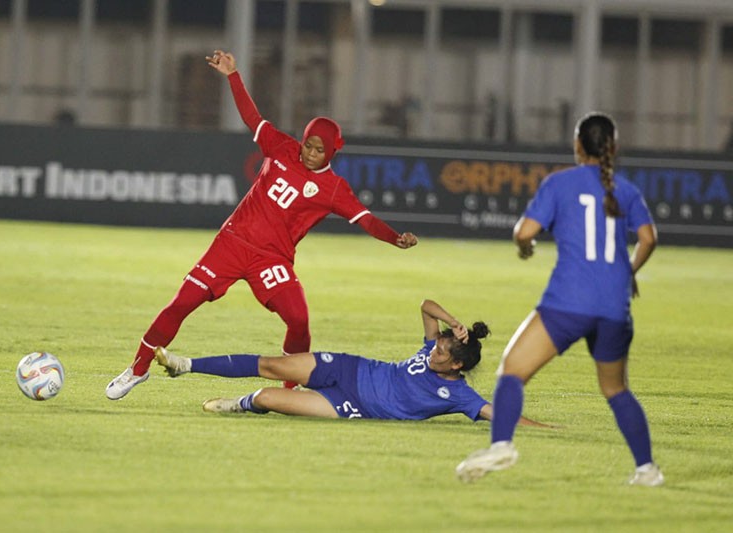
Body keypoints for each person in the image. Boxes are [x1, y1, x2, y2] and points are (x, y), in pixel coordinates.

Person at [106, 50, 418, 400]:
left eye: (319, 150)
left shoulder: (334, 189)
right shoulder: (281, 147)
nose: (310, 153)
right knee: (181, 303)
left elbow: (366, 219)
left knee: (298, 319)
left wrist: (395, 238)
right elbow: (251, 116)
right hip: (231, 244)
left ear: (333, 151)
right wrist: (232, 76)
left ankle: (290, 386)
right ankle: (138, 369)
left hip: (272, 259)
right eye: (308, 145)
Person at [455, 112, 662, 486]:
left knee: (512, 372)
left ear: (577, 146)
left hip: (569, 301)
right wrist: (629, 272)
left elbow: (524, 231)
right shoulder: (626, 190)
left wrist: (526, 247)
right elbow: (648, 239)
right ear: (613, 147)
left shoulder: (560, 183)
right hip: (614, 307)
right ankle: (647, 469)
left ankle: (501, 445)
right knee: (616, 389)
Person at [153, 298, 547, 427]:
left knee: (267, 398)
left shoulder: (459, 395)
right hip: (348, 368)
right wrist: (453, 322)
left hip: (350, 405)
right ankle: (184, 365)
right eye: (437, 345)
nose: (434, 352)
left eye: (443, 352)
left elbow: (500, 415)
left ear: (457, 367)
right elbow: (426, 306)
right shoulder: (432, 349)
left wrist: (546, 428)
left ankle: (240, 404)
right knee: (271, 364)